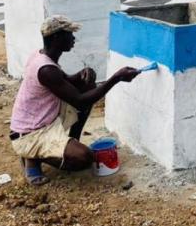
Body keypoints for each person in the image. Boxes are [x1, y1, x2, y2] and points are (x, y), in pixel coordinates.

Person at [9, 16, 141, 186]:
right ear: (57, 37)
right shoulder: (46, 69)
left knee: (88, 85)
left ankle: (71, 142)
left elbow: (64, 82)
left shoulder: (42, 56)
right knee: (84, 158)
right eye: (69, 34)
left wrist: (81, 75)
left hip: (42, 122)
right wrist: (115, 79)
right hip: (30, 135)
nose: (73, 39)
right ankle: (32, 157)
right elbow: (79, 101)